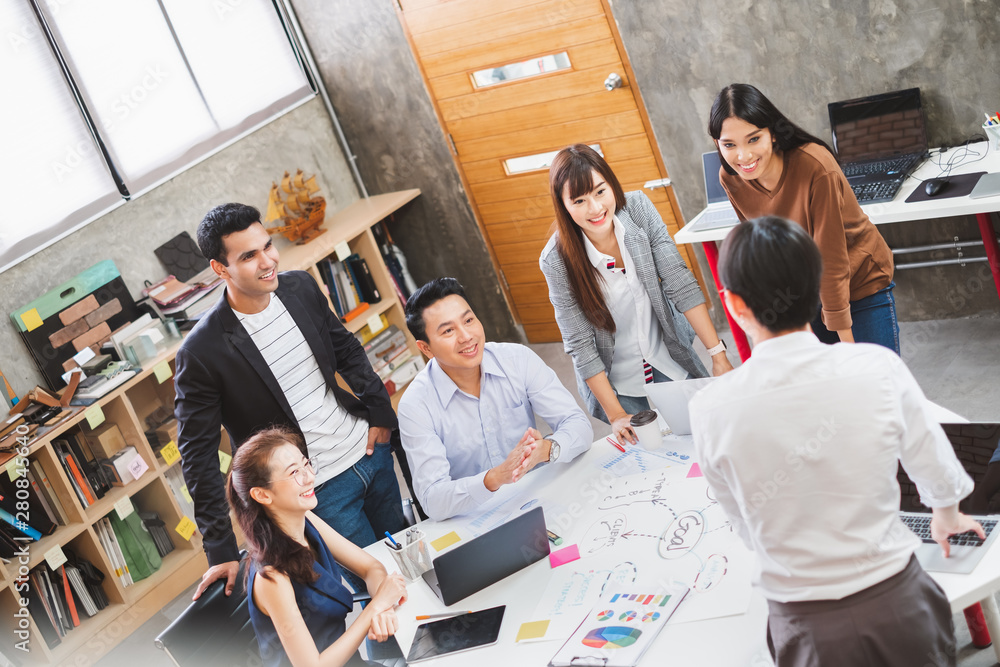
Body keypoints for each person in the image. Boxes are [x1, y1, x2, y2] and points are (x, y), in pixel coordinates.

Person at [689, 216, 982, 667]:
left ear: (734, 304)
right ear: (815, 288)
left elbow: (745, 523)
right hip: (900, 604)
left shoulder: (710, 408)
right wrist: (944, 514)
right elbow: (934, 460)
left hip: (805, 627)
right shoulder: (875, 367)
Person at [174, 203, 405, 599]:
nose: (267, 262)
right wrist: (220, 549)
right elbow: (197, 455)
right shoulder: (202, 351)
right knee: (380, 594)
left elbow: (346, 350)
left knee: (410, 564)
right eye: (249, 256)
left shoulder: (299, 287)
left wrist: (380, 418)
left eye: (268, 246)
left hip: (370, 454)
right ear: (220, 269)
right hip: (318, 492)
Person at [539, 144, 733, 445]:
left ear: (611, 184)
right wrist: (616, 415)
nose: (595, 208)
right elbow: (580, 344)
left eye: (600, 191)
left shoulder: (638, 210)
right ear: (563, 205)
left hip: (665, 352)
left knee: (702, 435)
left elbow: (679, 281)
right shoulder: (556, 260)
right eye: (579, 200)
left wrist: (717, 354)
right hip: (615, 376)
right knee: (648, 455)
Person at [708, 83, 900, 353]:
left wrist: (850, 351)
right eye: (729, 144)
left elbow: (831, 259)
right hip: (804, 292)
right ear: (717, 143)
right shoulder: (730, 177)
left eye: (753, 139)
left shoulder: (815, 165)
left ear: (773, 134)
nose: (744, 156)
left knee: (874, 383)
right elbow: (765, 245)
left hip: (859, 281)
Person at [397, 277, 593, 521]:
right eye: (448, 331)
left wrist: (546, 450)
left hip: (539, 496)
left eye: (468, 320)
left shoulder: (517, 359)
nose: (466, 336)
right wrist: (495, 478)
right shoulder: (415, 406)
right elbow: (433, 499)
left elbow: (579, 425)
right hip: (476, 518)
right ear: (425, 348)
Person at [227, 427, 407, 667]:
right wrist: (376, 607)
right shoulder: (272, 577)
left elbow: (370, 567)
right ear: (262, 494)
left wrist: (382, 609)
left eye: (306, 464)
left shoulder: (306, 519)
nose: (310, 477)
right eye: (294, 473)